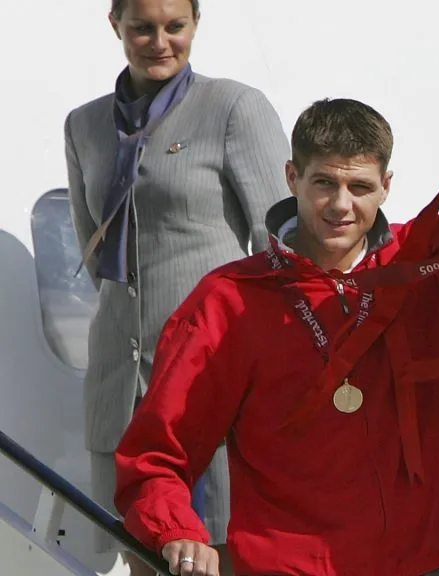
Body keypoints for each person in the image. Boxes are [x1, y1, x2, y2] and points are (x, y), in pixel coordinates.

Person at [112, 50, 439, 576]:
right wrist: (176, 530)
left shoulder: (425, 270)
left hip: (421, 565)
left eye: (359, 187)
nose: (340, 205)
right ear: (293, 176)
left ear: (386, 187)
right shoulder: (229, 303)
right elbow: (157, 453)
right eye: (324, 183)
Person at [64, 0, 290, 573]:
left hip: (210, 382)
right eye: (142, 27)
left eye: (175, 27)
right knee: (142, 553)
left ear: (195, 26)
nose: (159, 41)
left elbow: (283, 250)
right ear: (115, 25)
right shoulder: (84, 125)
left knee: (223, 553)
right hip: (120, 384)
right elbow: (93, 247)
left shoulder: (233, 107)